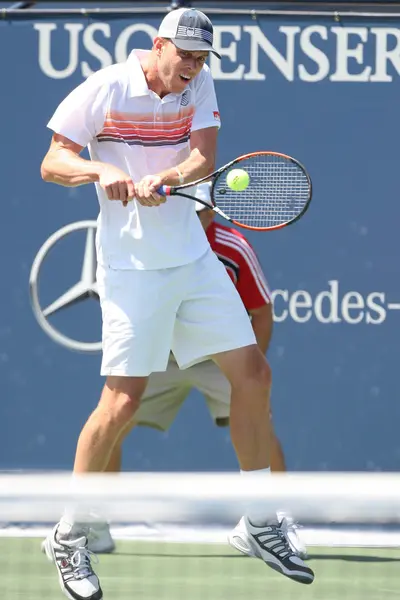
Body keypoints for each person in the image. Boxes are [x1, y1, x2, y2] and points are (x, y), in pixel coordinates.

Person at [40, 7, 314, 599]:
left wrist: (169, 177)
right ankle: (68, 535)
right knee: (120, 403)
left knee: (255, 374)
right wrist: (99, 170)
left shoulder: (199, 83)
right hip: (133, 267)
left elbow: (202, 158)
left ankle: (258, 518)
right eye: (184, 55)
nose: (192, 68)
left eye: (201, 58)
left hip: (192, 259)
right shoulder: (107, 87)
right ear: (158, 45)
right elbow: (51, 161)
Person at [88, 183, 307, 559]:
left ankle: (275, 520)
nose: (199, 219)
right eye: (191, 213)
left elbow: (262, 312)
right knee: (114, 420)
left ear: (212, 212)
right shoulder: (147, 245)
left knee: (261, 422)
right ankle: (92, 523)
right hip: (161, 357)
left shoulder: (233, 247)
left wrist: (244, 377)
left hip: (218, 358)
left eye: (204, 213)